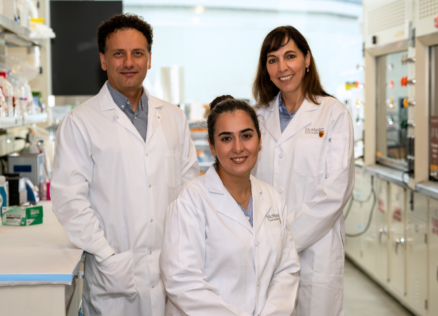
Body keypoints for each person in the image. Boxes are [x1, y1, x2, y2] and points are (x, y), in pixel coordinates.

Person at [51, 14, 199, 316]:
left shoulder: (173, 117)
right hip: (113, 276)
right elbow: (69, 201)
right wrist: (107, 255)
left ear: (149, 59)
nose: (129, 62)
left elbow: (189, 189)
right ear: (104, 60)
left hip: (170, 270)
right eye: (119, 53)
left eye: (137, 53)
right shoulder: (81, 122)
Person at [160, 96, 300, 316]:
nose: (238, 147)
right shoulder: (189, 201)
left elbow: (287, 270)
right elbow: (182, 281)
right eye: (226, 138)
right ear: (212, 146)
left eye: (246, 136)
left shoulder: (273, 199)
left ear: (259, 140)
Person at [252, 26, 355, 316]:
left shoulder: (333, 113)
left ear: (307, 59)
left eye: (290, 56)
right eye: (272, 59)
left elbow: (336, 191)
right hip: (265, 251)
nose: (282, 67)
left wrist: (283, 237)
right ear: (266, 69)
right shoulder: (258, 116)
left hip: (316, 252)